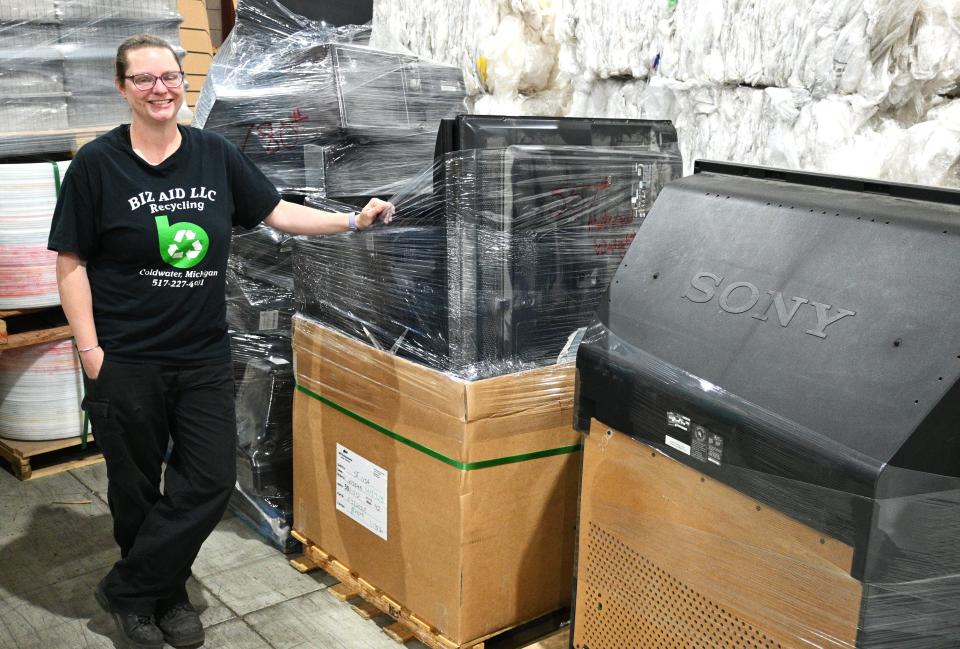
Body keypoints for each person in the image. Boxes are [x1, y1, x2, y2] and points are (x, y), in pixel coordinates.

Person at [47, 34, 394, 649]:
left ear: (185, 81)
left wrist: (348, 220)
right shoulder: (97, 166)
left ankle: (128, 587)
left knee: (207, 482)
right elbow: (71, 262)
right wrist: (90, 349)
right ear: (123, 87)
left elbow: (277, 212)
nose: (161, 88)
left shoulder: (214, 155)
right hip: (125, 357)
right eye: (146, 79)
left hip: (202, 353)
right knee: (134, 488)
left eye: (171, 76)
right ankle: (162, 595)